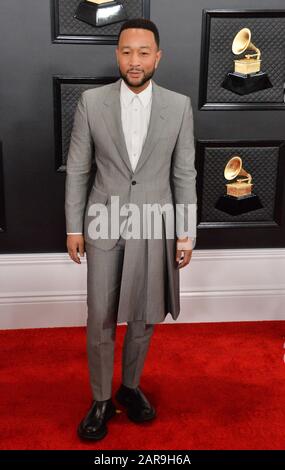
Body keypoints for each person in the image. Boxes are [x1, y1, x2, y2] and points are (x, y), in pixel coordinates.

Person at [65, 17, 197, 441]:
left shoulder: (178, 106)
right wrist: (73, 227)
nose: (134, 60)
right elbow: (79, 169)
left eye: (143, 52)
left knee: (143, 315)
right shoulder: (91, 101)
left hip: (155, 225)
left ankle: (131, 386)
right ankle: (101, 399)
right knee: (100, 316)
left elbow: (184, 174)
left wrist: (185, 231)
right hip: (103, 222)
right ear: (117, 55)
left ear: (158, 56)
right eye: (126, 52)